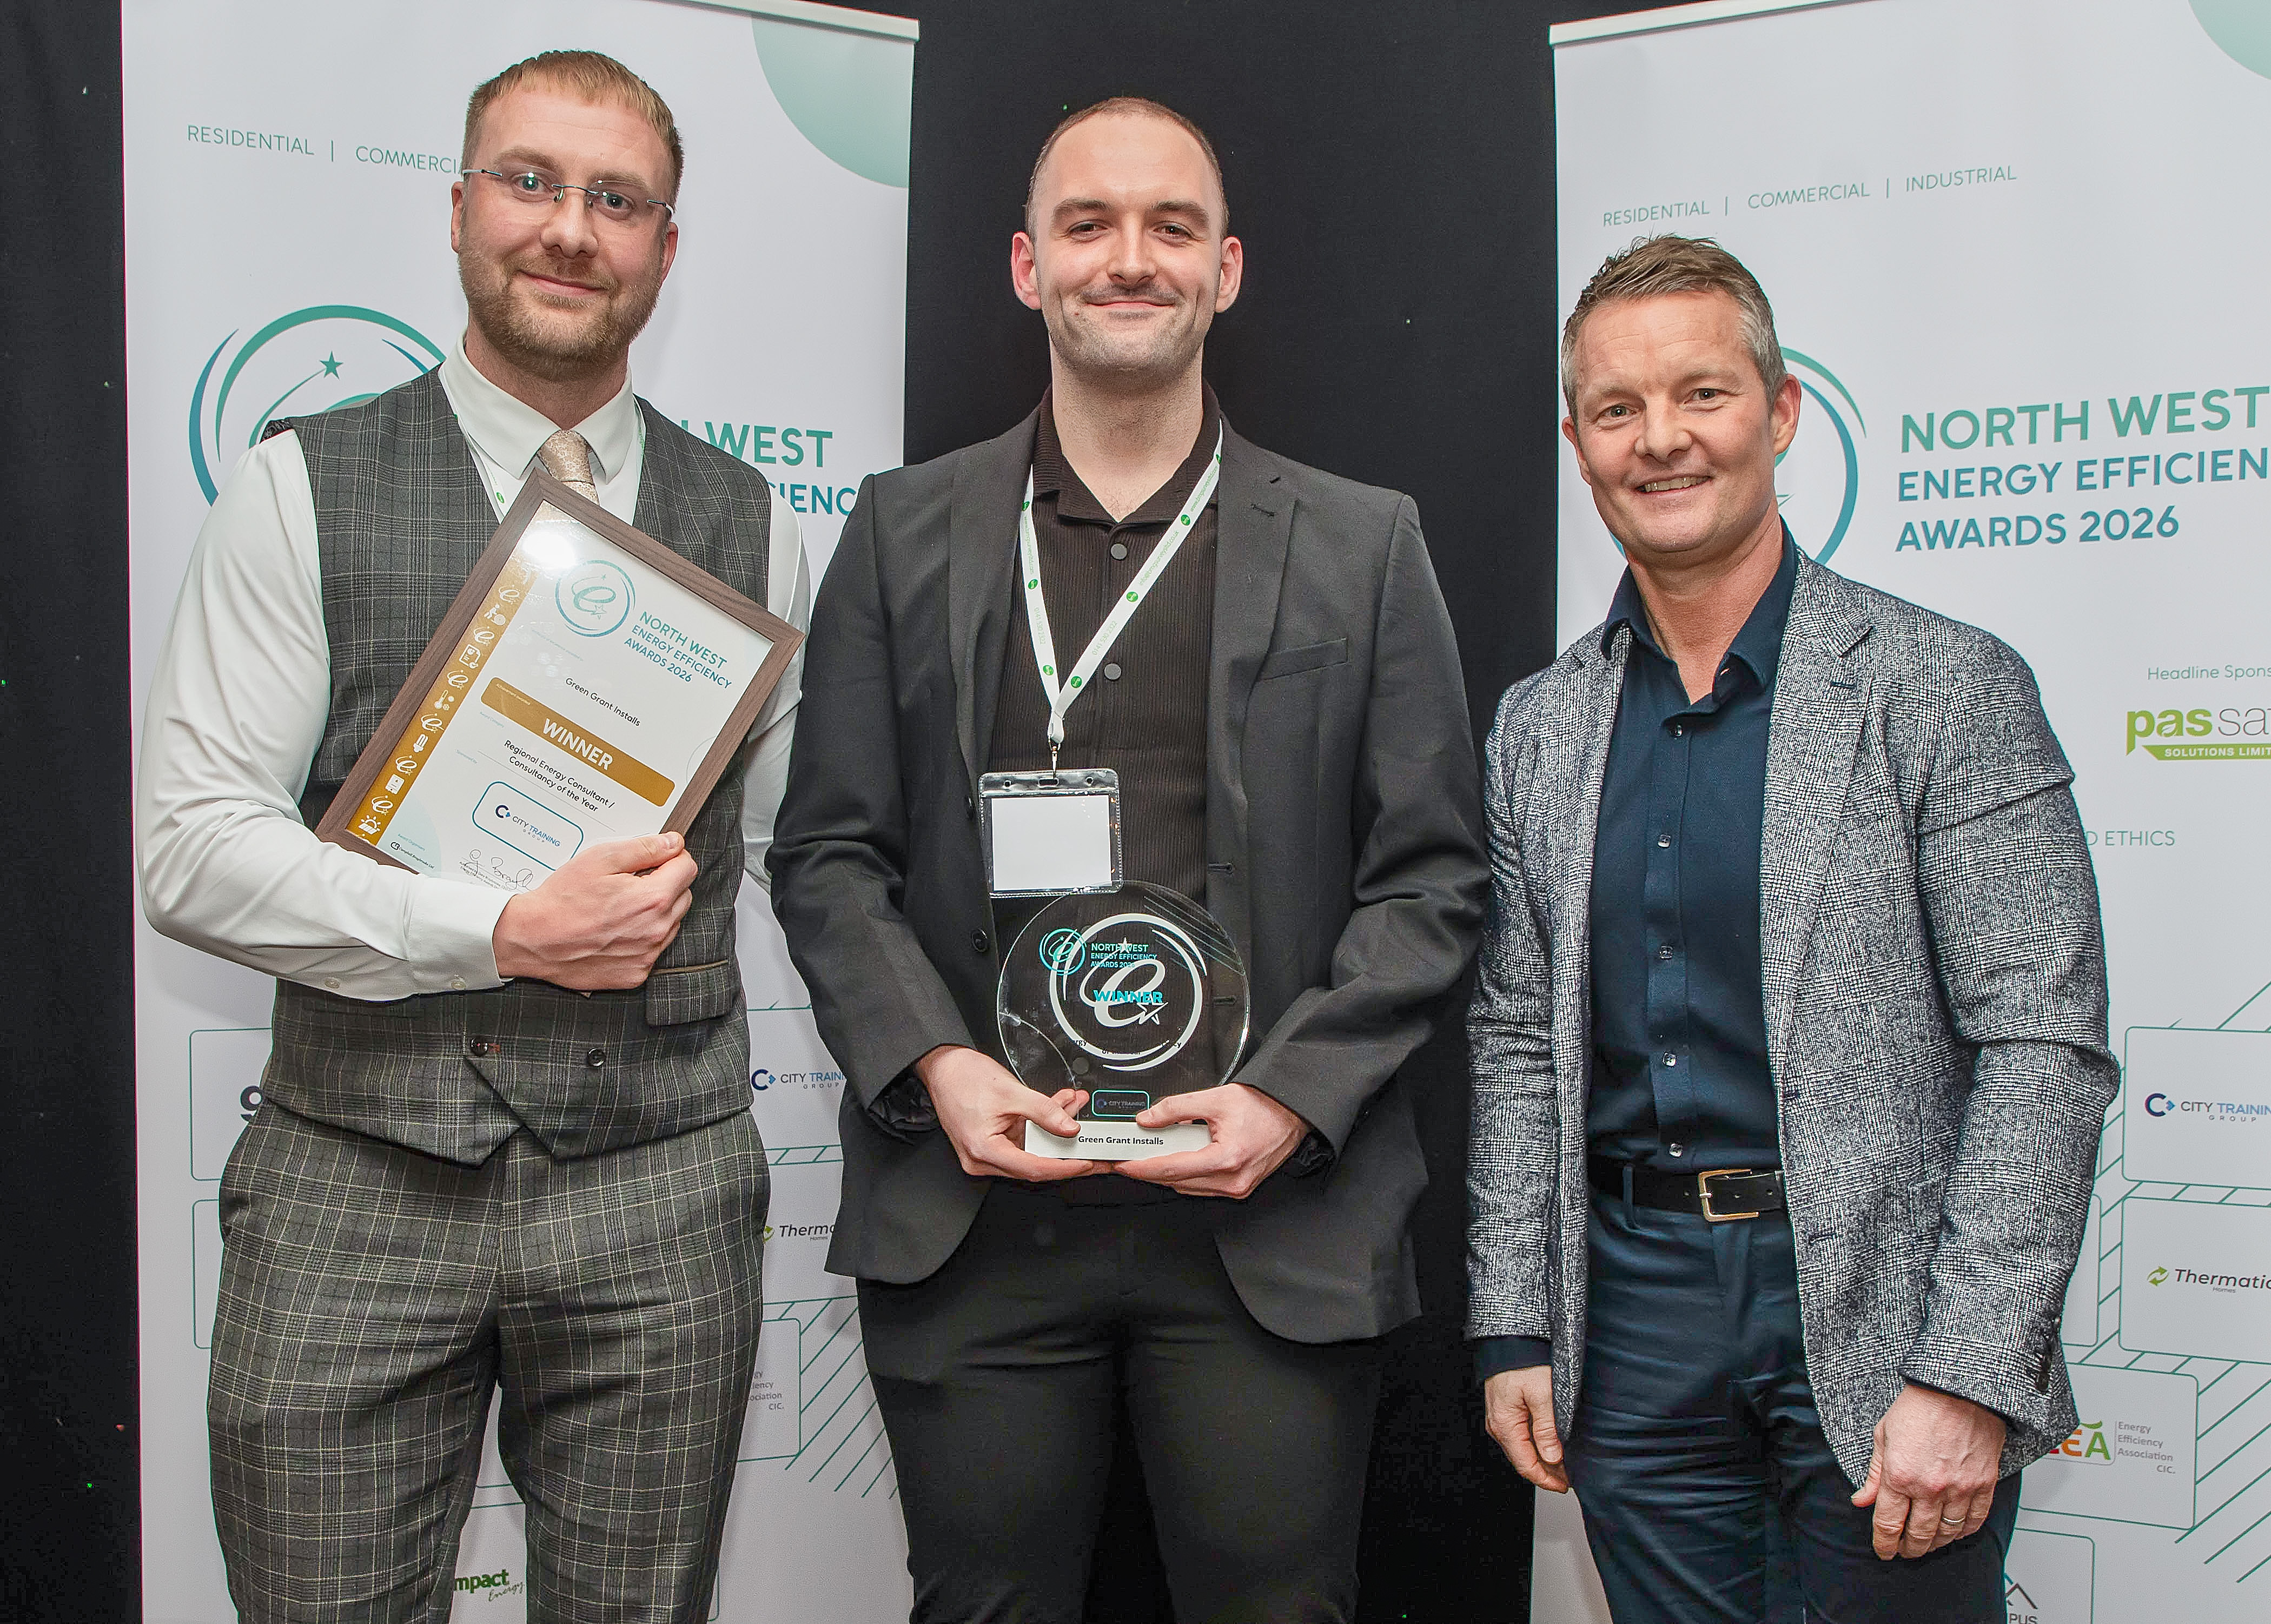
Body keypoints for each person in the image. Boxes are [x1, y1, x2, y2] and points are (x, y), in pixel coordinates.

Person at [769, 96, 1487, 1623]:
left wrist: (1289, 1098)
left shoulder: (1364, 543)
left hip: (1264, 1216)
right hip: (978, 1210)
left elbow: (1432, 879)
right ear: (1026, 266)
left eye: (1172, 226)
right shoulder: (898, 532)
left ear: (1227, 270)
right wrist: (935, 1067)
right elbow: (827, 849)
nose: (1130, 258)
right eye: (1088, 224)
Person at [136, 51, 806, 1623]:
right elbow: (192, 849)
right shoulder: (297, 489)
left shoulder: (758, 520)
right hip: (357, 1178)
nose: (570, 228)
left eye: (617, 200)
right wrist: (499, 933)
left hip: (661, 1188)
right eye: (530, 182)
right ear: (457, 211)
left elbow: (791, 847)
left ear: (665, 248)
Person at [1465, 235, 2117, 1624]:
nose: (1661, 440)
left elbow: (2042, 1046)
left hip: (1886, 1314)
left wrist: (1967, 1368)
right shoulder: (1539, 724)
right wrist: (1514, 1318)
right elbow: (1519, 1038)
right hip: (1631, 1324)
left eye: (1701, 393)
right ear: (1578, 444)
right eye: (1618, 408)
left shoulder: (1944, 685)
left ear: (1781, 411)